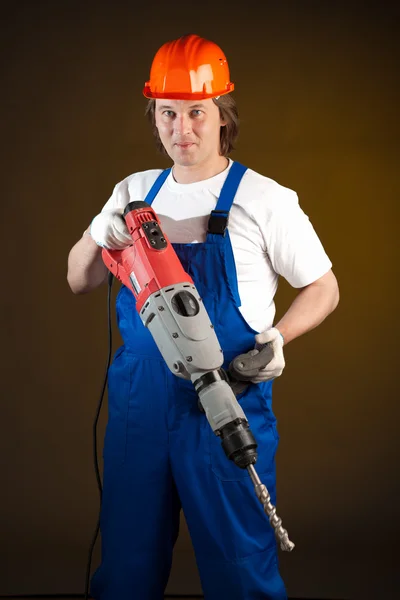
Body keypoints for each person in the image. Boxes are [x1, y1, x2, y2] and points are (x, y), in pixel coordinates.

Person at [67, 34, 339, 600]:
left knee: (241, 568)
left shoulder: (264, 199)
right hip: (139, 410)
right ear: (154, 115)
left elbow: (323, 287)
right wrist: (101, 233)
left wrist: (279, 337)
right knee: (125, 570)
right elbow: (78, 279)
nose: (181, 129)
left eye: (197, 112)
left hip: (227, 400)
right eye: (168, 113)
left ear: (222, 116)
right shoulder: (134, 191)